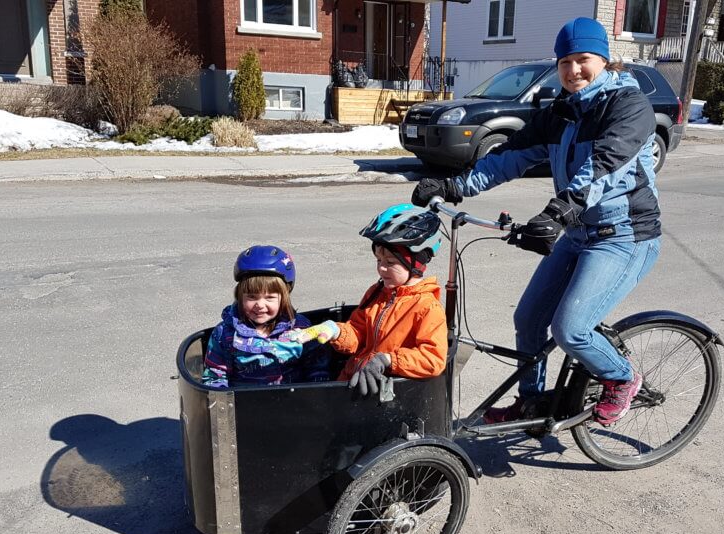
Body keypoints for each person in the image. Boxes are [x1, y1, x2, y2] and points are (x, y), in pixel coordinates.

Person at [410, 17, 661, 426]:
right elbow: (512, 157)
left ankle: (623, 378)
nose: (573, 70)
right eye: (565, 62)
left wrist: (560, 211)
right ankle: (531, 402)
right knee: (527, 320)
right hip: (579, 232)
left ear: (604, 60)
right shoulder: (561, 111)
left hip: (625, 236)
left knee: (571, 329)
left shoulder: (627, 106)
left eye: (583, 60)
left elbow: (605, 166)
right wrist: (454, 186)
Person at [288, 204, 448, 396]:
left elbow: (433, 359)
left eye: (390, 263)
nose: (381, 268)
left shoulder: (426, 307)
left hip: (378, 392)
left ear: (417, 264)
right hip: (351, 380)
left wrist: (387, 360)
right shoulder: (377, 292)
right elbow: (358, 332)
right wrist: (335, 331)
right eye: (378, 261)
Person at [202, 245, 329, 387]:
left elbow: (317, 370)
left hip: (293, 403)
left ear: (284, 298)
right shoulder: (225, 333)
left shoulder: (301, 328)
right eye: (251, 297)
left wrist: (316, 397)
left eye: (269, 298)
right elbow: (215, 375)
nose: (260, 305)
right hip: (244, 403)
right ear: (239, 297)